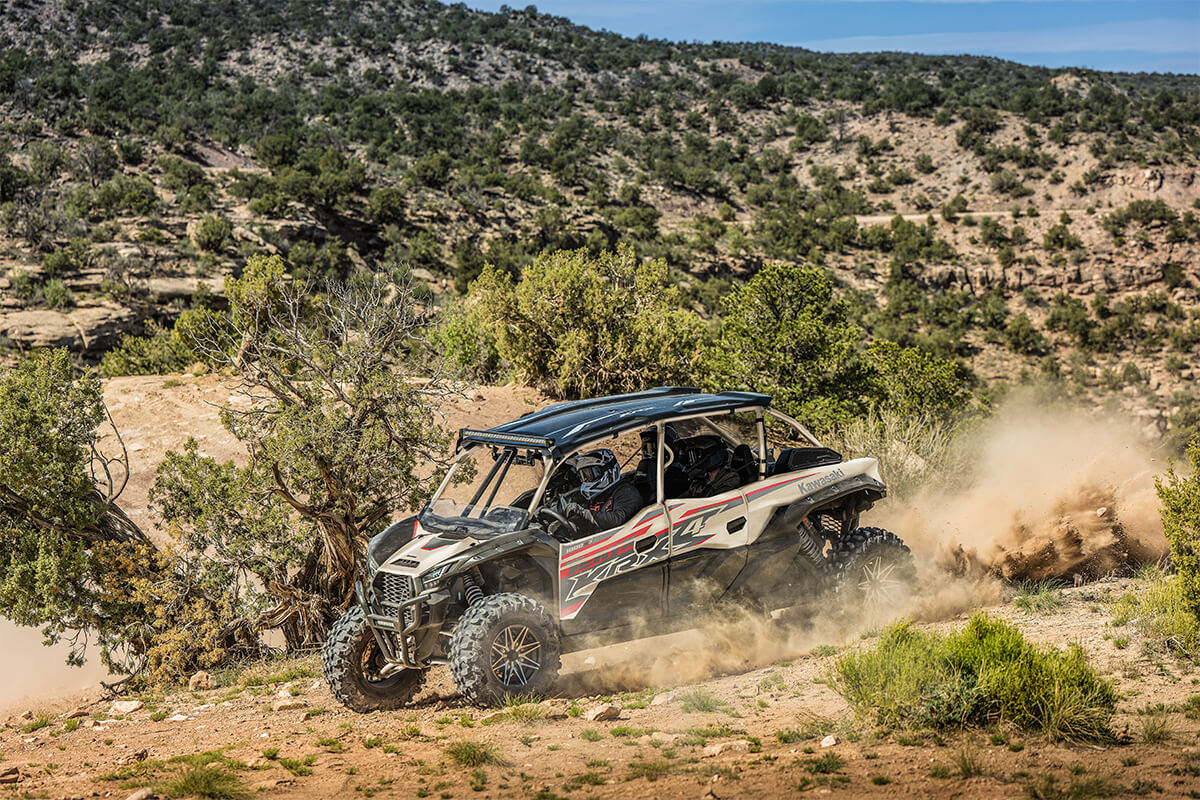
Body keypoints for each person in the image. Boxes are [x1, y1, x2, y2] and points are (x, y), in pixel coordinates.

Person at [544, 448, 643, 541]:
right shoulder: (598, 494)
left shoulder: (627, 492)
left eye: (592, 474)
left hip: (613, 544)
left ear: (608, 471)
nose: (587, 480)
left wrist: (582, 512)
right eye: (584, 476)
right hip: (591, 542)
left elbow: (616, 520)